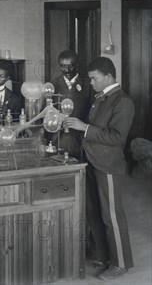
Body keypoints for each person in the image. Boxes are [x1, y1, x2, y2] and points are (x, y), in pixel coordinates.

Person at [63, 57, 134, 281]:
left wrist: (84, 128)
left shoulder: (122, 102)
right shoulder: (101, 98)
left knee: (111, 216)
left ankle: (121, 263)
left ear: (109, 76)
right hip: (91, 161)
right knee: (93, 213)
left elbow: (116, 137)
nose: (91, 82)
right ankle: (101, 256)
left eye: (94, 78)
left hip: (108, 165)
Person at [52, 50, 94, 158]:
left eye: (70, 66)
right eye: (63, 66)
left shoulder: (89, 84)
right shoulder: (54, 84)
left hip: (81, 138)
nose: (67, 70)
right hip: (59, 137)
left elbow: (95, 110)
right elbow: (47, 110)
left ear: (77, 65)